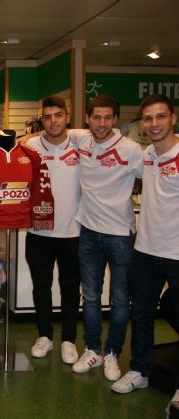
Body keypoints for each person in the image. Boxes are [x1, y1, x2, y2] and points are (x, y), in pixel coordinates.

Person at [68, 94, 143, 380]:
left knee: (120, 300)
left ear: (116, 120)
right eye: (96, 117)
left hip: (120, 235)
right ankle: (93, 350)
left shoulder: (131, 149)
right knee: (90, 297)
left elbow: (156, 174)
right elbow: (50, 134)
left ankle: (112, 353)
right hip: (88, 232)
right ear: (87, 119)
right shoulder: (81, 138)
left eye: (108, 118)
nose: (102, 123)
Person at [111, 94, 179, 394]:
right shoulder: (147, 154)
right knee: (141, 314)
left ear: (173, 118)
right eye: (148, 118)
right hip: (146, 250)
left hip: (177, 253)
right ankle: (139, 370)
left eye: (160, 116)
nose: (154, 124)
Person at [24, 96, 81, 364]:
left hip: (74, 232)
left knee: (71, 289)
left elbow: (103, 133)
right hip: (39, 233)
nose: (53, 121)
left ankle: (69, 340)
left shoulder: (81, 143)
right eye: (47, 117)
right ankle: (44, 335)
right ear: (41, 121)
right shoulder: (32, 146)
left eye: (58, 115)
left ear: (67, 117)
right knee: (41, 288)